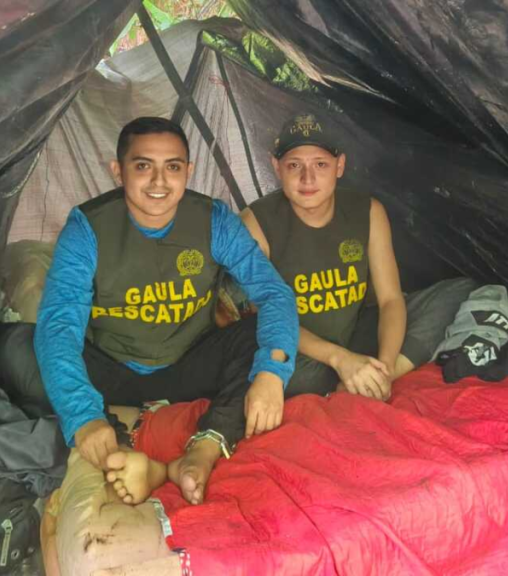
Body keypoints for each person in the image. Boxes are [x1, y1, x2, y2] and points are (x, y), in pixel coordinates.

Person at [33, 116, 298, 506]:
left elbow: (274, 294)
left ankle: (204, 448)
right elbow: (59, 325)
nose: (159, 181)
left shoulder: (213, 220)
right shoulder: (87, 228)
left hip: (189, 364)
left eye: (172, 167)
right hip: (113, 368)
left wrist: (272, 374)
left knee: (263, 338)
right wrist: (83, 416)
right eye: (143, 166)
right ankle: (122, 450)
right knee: (20, 346)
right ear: (118, 171)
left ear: (188, 171)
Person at [240, 113, 478, 400]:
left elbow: (390, 300)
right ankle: (354, 378)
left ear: (340, 165)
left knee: (459, 292)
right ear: (276, 167)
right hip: (303, 349)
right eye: (294, 165)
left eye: (320, 164)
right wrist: (340, 359)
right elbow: (268, 319)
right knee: (273, 371)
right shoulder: (255, 223)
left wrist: (385, 367)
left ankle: (373, 377)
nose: (308, 178)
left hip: (357, 332)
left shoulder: (368, 211)